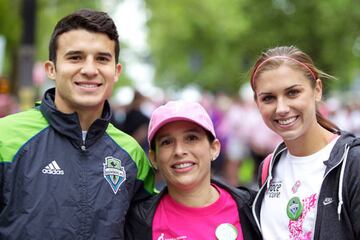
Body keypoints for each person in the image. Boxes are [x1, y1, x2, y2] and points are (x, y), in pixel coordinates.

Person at [0, 9, 155, 239]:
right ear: (51, 69)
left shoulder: (132, 155)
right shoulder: (6, 137)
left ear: (116, 71)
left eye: (102, 58)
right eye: (75, 57)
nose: (90, 70)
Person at [250, 46, 360, 239]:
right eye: (268, 98)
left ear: (317, 90)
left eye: (292, 93)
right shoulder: (269, 168)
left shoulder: (353, 164)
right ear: (257, 102)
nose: (281, 108)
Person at [125, 100, 262, 240]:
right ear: (153, 158)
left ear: (214, 148)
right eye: (167, 142)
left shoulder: (255, 209)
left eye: (191, 138)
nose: (179, 151)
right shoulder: (137, 222)